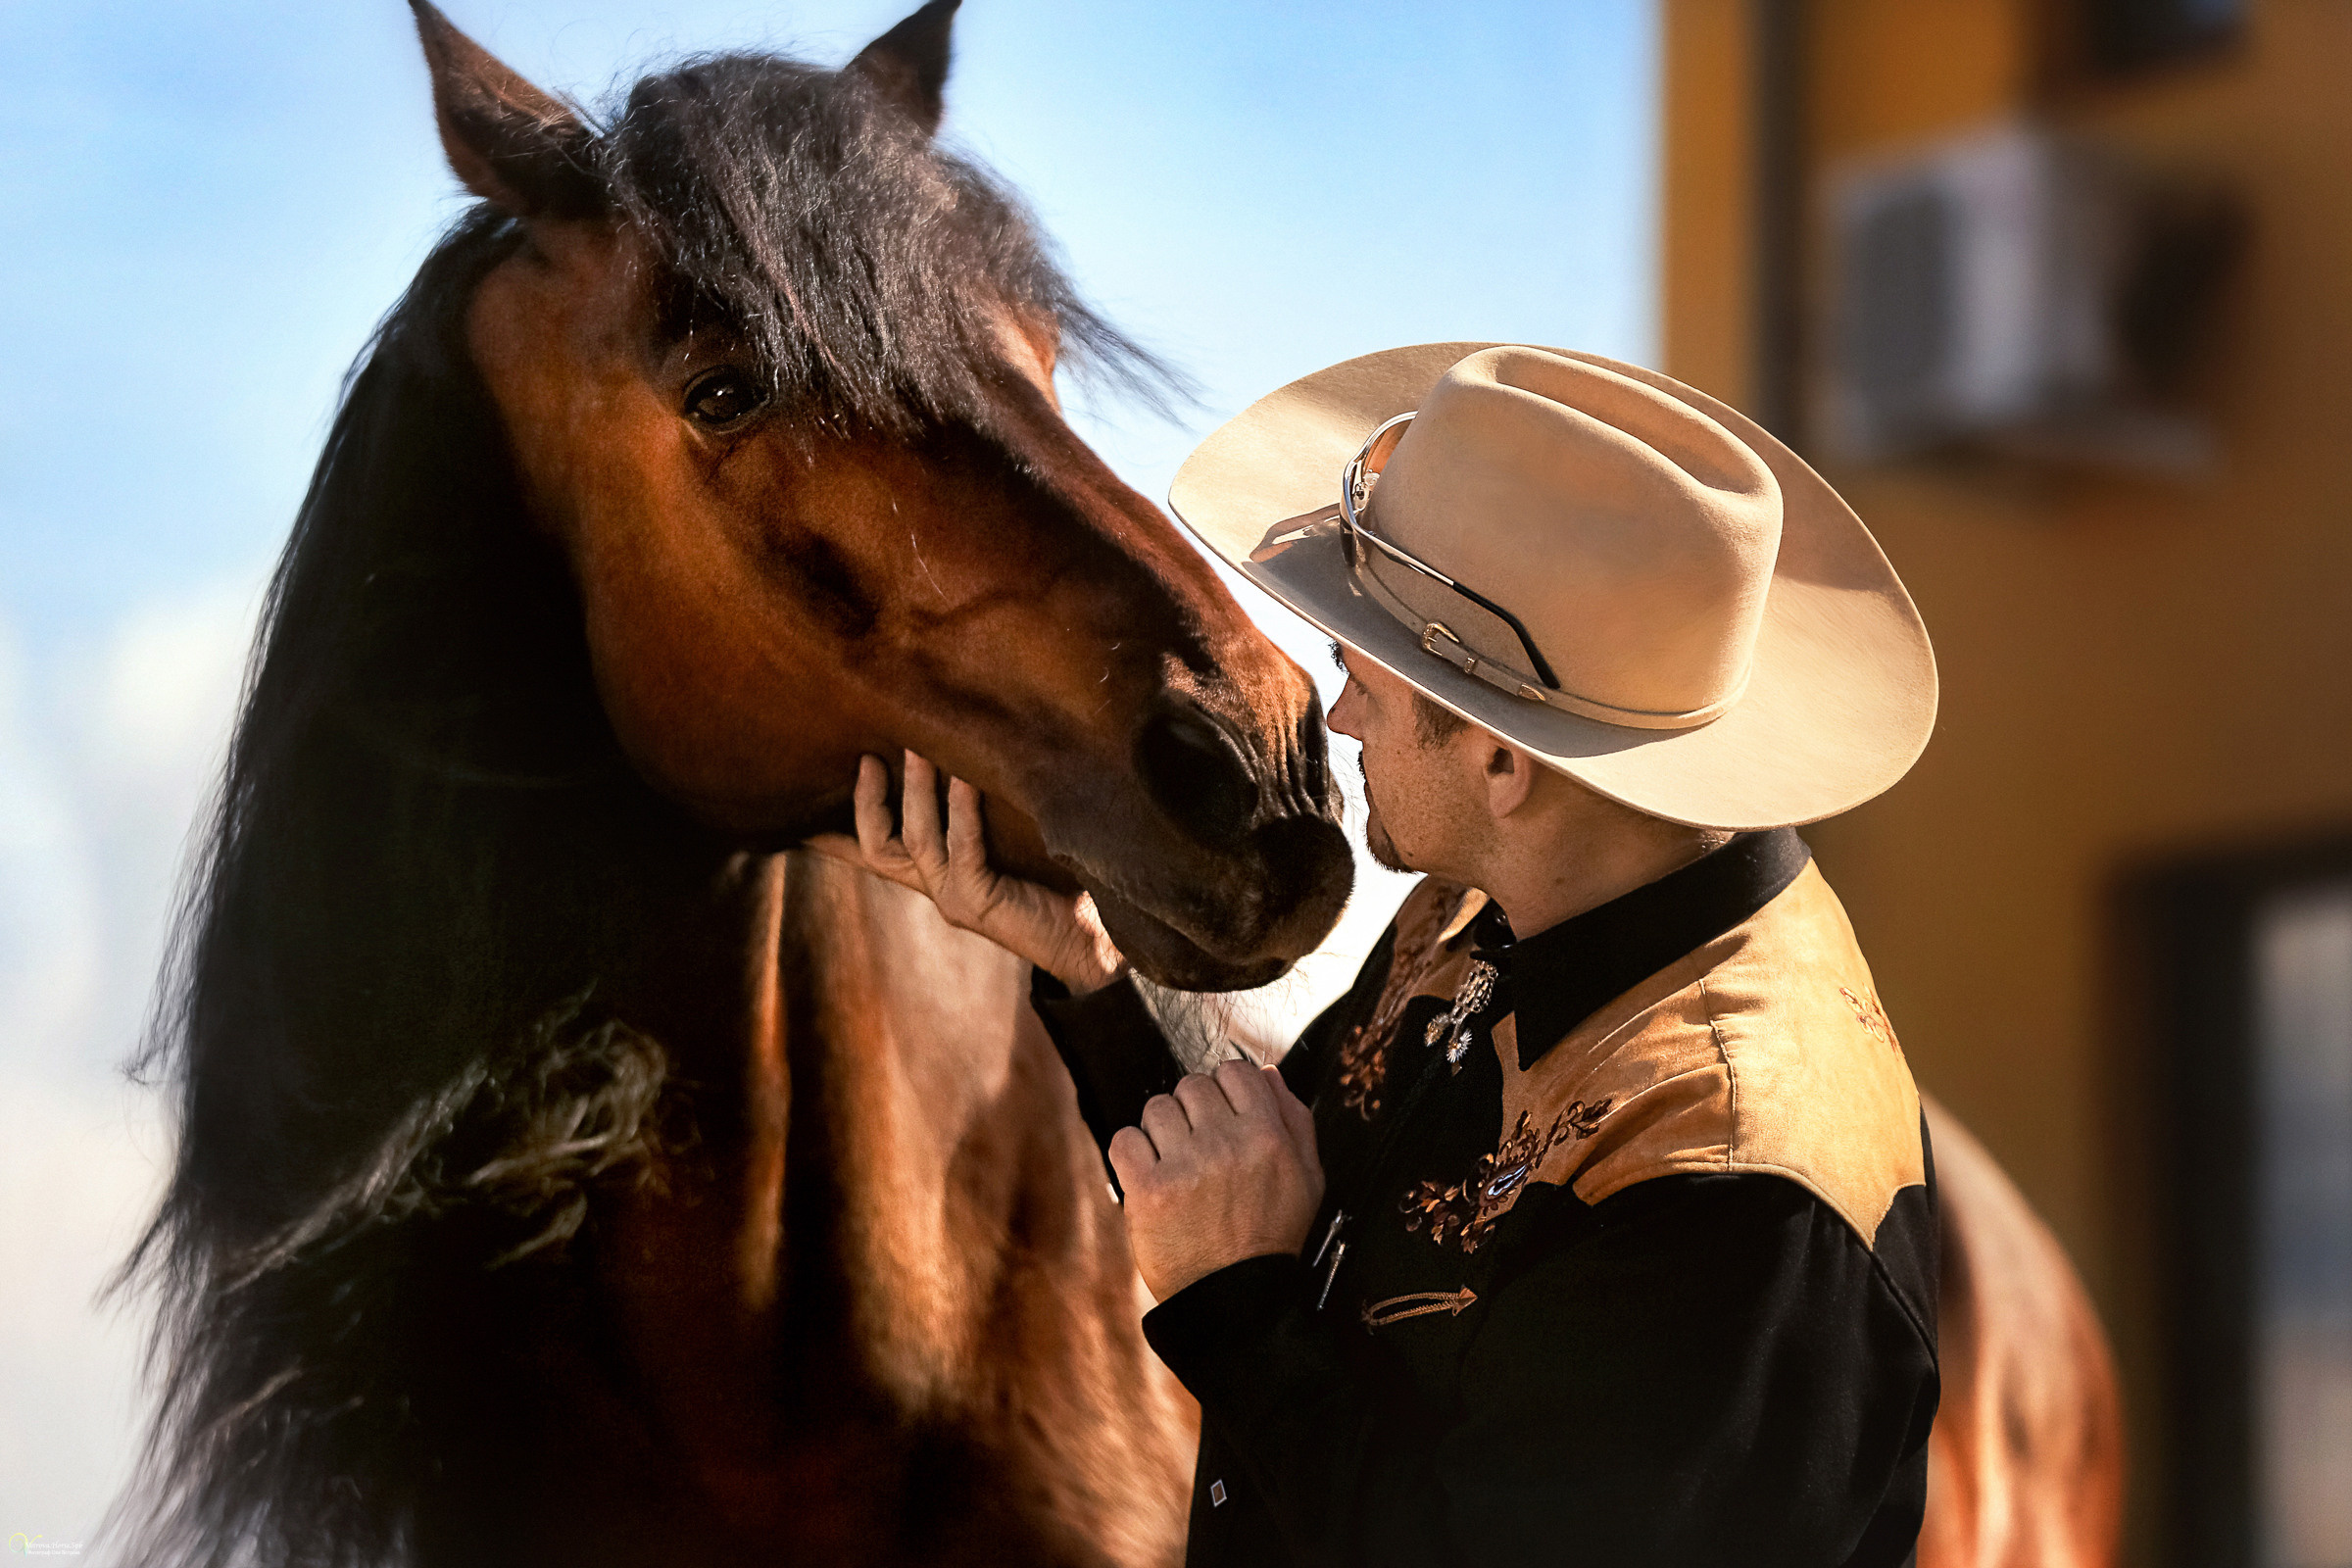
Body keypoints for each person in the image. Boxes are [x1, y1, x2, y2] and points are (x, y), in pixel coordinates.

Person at [814, 344, 1943, 1566]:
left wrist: (1241, 1310)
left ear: (1503, 764)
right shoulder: (1497, 895)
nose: (1337, 713)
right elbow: (1266, 1176)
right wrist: (1091, 970)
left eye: (1366, 678)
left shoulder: (1736, 1196)